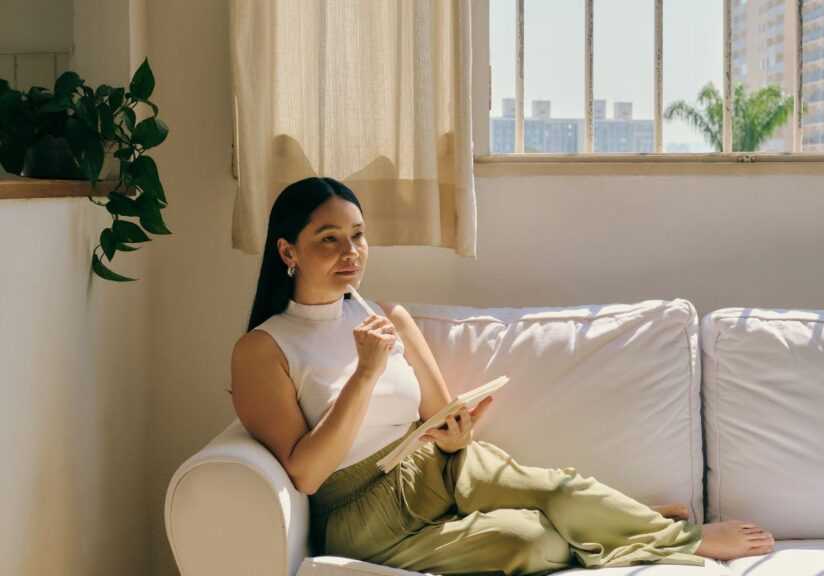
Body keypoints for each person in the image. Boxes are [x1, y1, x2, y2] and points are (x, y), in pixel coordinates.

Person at [230, 176, 775, 575]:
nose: (350, 252)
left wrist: (457, 431)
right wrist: (364, 376)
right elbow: (304, 475)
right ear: (288, 251)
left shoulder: (387, 316)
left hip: (433, 463)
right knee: (527, 543)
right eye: (329, 238)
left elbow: (440, 415)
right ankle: (611, 523)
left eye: (358, 235)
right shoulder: (262, 349)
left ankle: (676, 537)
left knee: (559, 487)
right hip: (362, 513)